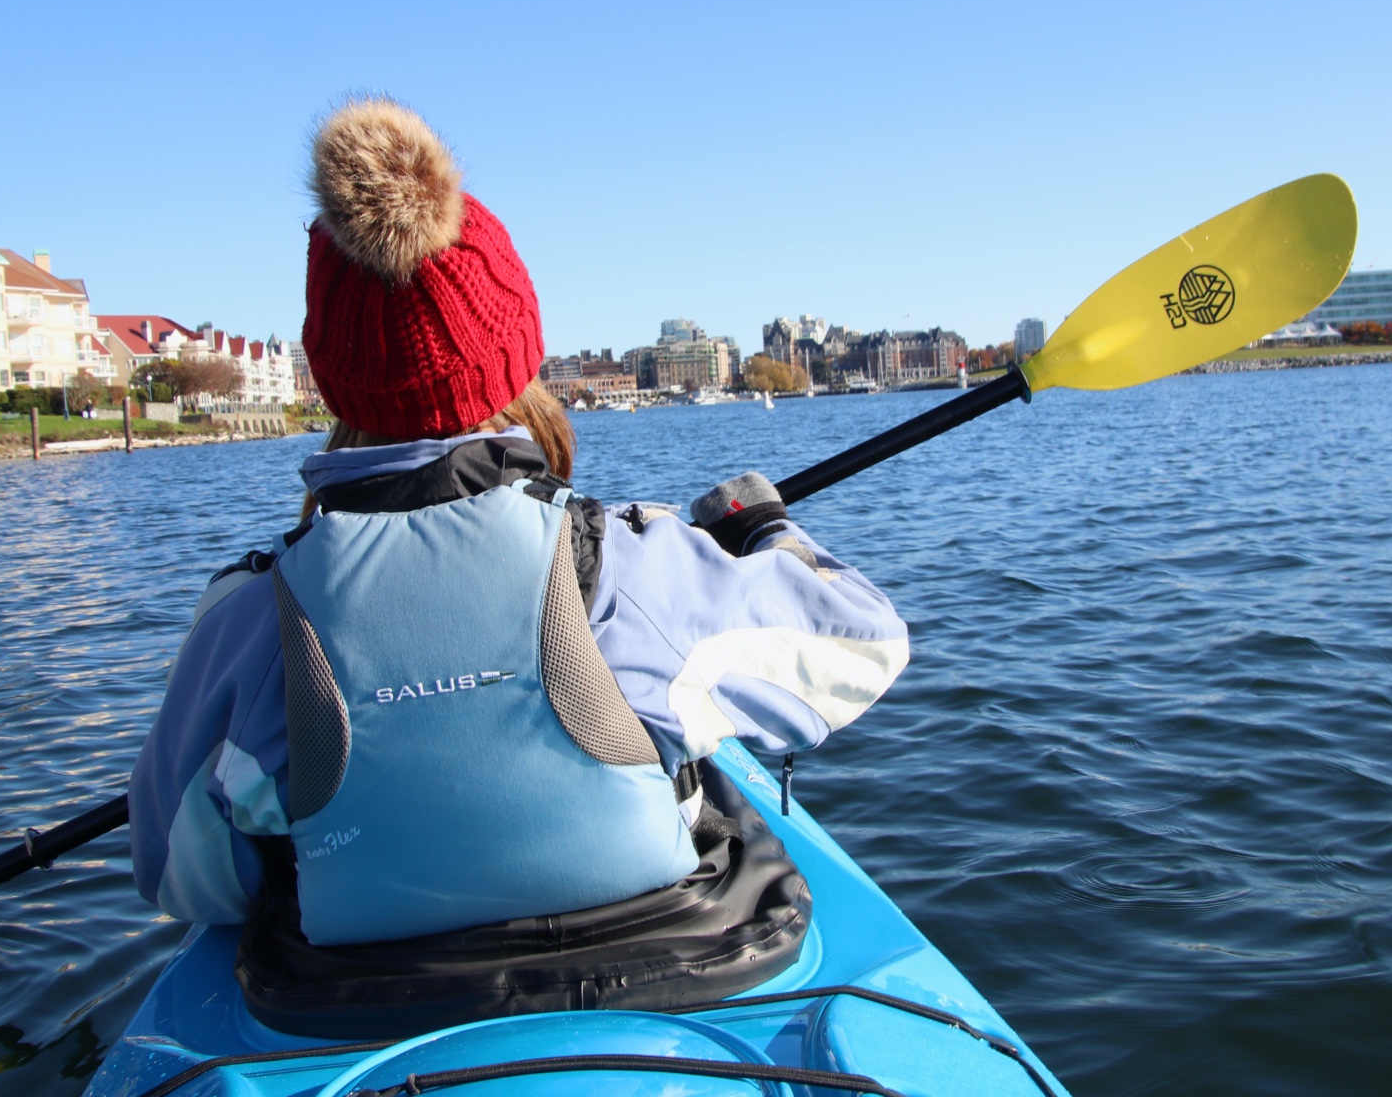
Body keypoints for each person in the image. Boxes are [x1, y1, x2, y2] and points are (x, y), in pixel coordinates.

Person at [129, 99, 908, 949]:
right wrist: (763, 531)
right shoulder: (628, 567)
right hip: (660, 959)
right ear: (516, 349)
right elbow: (868, 644)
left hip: (349, 1002)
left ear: (332, 373)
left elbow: (176, 878)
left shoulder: (247, 620)